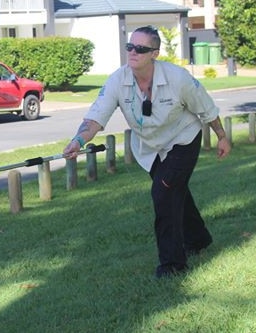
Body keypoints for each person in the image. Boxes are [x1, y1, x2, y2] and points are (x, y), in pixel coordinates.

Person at [63, 26, 232, 278]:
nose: (133, 52)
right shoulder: (117, 81)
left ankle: (172, 265)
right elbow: (96, 118)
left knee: (163, 192)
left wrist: (221, 136)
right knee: (176, 193)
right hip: (149, 148)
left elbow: (206, 108)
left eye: (140, 49)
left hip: (183, 139)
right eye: (129, 47)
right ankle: (198, 239)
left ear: (154, 53)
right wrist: (78, 140)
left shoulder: (178, 78)